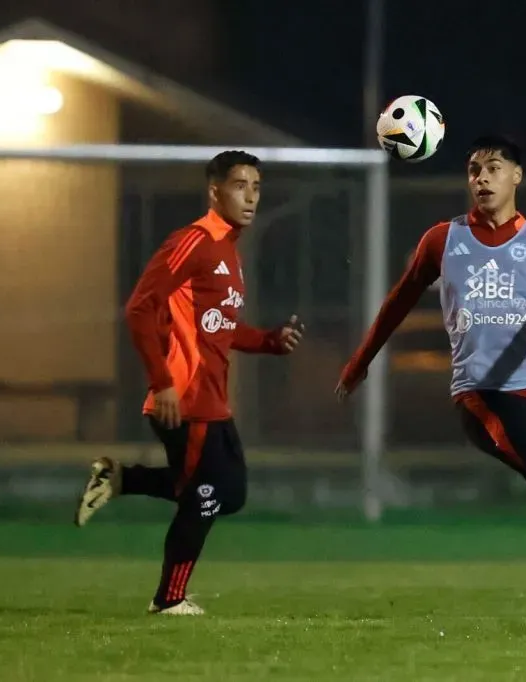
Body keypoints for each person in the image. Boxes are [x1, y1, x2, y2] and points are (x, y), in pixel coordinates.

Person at [336, 135, 526, 629]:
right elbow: (398, 300)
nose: (481, 178)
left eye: (494, 168)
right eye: (474, 169)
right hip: (487, 398)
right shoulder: (443, 239)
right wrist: (361, 359)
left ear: (516, 176)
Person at [74, 150, 305, 616]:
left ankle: (120, 479)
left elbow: (218, 327)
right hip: (183, 396)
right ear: (214, 191)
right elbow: (140, 307)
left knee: (229, 492)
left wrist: (269, 341)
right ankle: (169, 598)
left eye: (257, 187)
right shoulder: (194, 241)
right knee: (206, 493)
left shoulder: (230, 255)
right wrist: (161, 383)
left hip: (212, 399)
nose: (251, 196)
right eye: (240, 185)